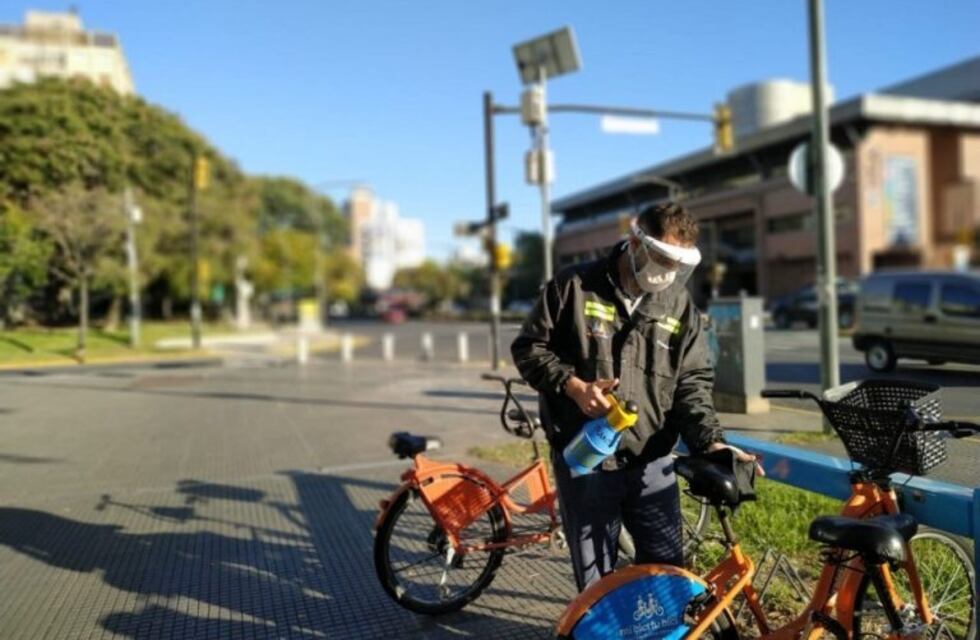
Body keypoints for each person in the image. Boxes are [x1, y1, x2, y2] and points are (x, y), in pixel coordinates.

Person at [511, 201, 758, 591]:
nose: (668, 271)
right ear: (635, 242)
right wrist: (573, 387)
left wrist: (711, 442)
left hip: (651, 460)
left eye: (677, 263)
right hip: (586, 459)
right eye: (661, 257)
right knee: (597, 584)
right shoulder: (574, 286)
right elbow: (529, 349)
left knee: (666, 572)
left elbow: (691, 382)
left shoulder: (678, 305)